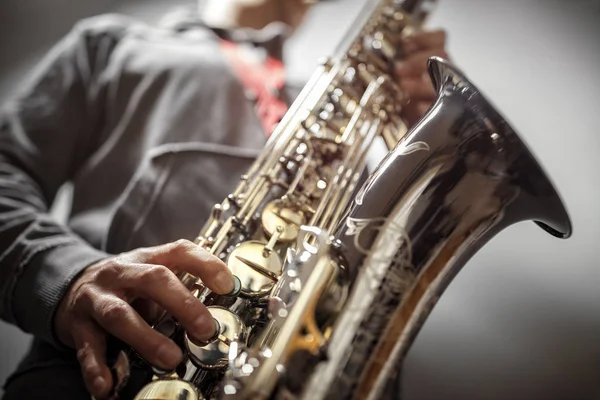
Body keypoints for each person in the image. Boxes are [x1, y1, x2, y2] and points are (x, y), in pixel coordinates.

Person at [0, 0, 449, 398]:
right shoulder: (114, 43)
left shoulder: (345, 132)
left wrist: (422, 143)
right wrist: (69, 277)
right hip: (100, 376)